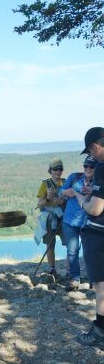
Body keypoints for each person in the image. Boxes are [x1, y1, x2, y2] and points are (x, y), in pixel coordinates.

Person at [74, 127, 104, 349]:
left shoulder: (102, 168)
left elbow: (95, 209)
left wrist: (82, 200)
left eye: (91, 153)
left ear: (95, 146)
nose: (91, 158)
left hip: (98, 234)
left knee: (101, 286)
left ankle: (99, 331)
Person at [59, 155, 97, 291]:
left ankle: (94, 279)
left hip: (88, 223)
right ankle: (75, 278)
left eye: (91, 166)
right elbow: (60, 191)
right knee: (72, 251)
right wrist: (65, 191)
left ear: (96, 168)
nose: (87, 169)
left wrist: (92, 192)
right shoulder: (74, 177)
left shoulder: (98, 182)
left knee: (90, 252)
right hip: (69, 222)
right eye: (85, 166)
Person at [34, 158, 66, 276]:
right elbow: (39, 204)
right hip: (49, 218)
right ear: (50, 170)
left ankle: (69, 270)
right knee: (50, 244)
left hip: (62, 217)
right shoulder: (45, 184)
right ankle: (52, 269)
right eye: (55, 169)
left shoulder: (66, 182)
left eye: (60, 169)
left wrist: (62, 202)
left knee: (69, 244)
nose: (58, 171)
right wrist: (48, 198)